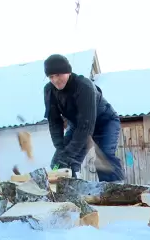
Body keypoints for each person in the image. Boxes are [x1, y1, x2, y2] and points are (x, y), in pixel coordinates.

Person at [43, 53, 125, 182]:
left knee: (104, 159)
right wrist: (60, 148)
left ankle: (116, 193)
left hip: (104, 123)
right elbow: (54, 121)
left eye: (58, 75)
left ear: (68, 72)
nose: (55, 80)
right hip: (77, 126)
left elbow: (86, 126)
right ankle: (67, 194)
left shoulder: (83, 86)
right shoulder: (49, 90)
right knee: (59, 163)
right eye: (51, 77)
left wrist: (69, 153)